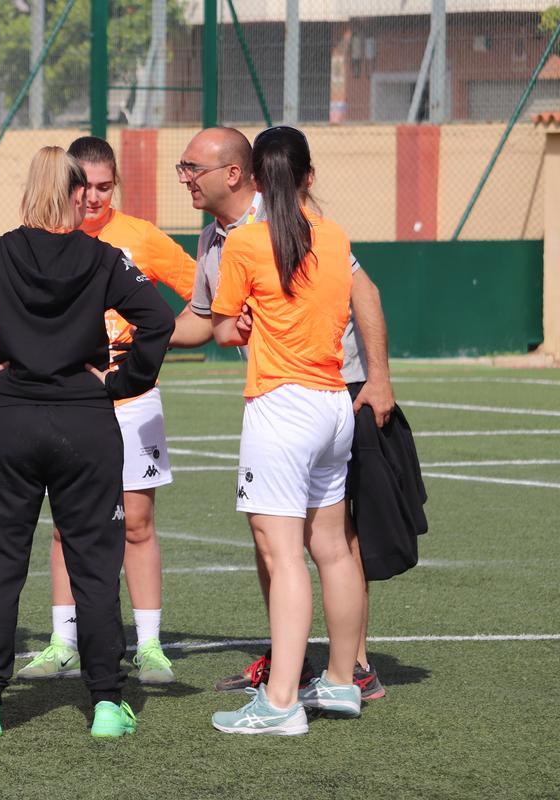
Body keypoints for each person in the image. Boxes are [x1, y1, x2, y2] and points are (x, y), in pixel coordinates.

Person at [0, 146, 175, 738]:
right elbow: (158, 320)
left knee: (0, 566)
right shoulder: (104, 257)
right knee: (95, 563)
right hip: (85, 423)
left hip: (8, 423)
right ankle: (107, 704)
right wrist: (123, 381)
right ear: (77, 192)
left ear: (29, 190)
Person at [170, 127, 395, 700]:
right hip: (304, 395)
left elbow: (362, 291)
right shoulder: (214, 240)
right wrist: (144, 337)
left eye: (193, 166)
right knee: (282, 537)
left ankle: (335, 673)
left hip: (322, 388)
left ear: (236, 173)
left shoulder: (285, 214)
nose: (184, 176)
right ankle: (318, 667)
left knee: (324, 539)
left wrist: (379, 378)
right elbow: (205, 320)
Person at [16, 136, 194, 685]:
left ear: (115, 185)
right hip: (68, 402)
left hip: (134, 399)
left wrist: (146, 346)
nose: (93, 198)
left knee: (137, 522)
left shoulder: (140, 237)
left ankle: (149, 645)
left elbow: (206, 299)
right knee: (66, 525)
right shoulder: (46, 239)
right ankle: (63, 642)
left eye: (104, 186)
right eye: (84, 186)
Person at [208, 125, 367, 735]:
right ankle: (342, 682)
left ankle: (279, 704)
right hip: (332, 404)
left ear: (253, 179)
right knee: (332, 547)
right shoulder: (335, 236)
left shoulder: (245, 243)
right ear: (308, 176)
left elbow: (224, 329)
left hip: (281, 405)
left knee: (283, 552)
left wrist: (243, 323)